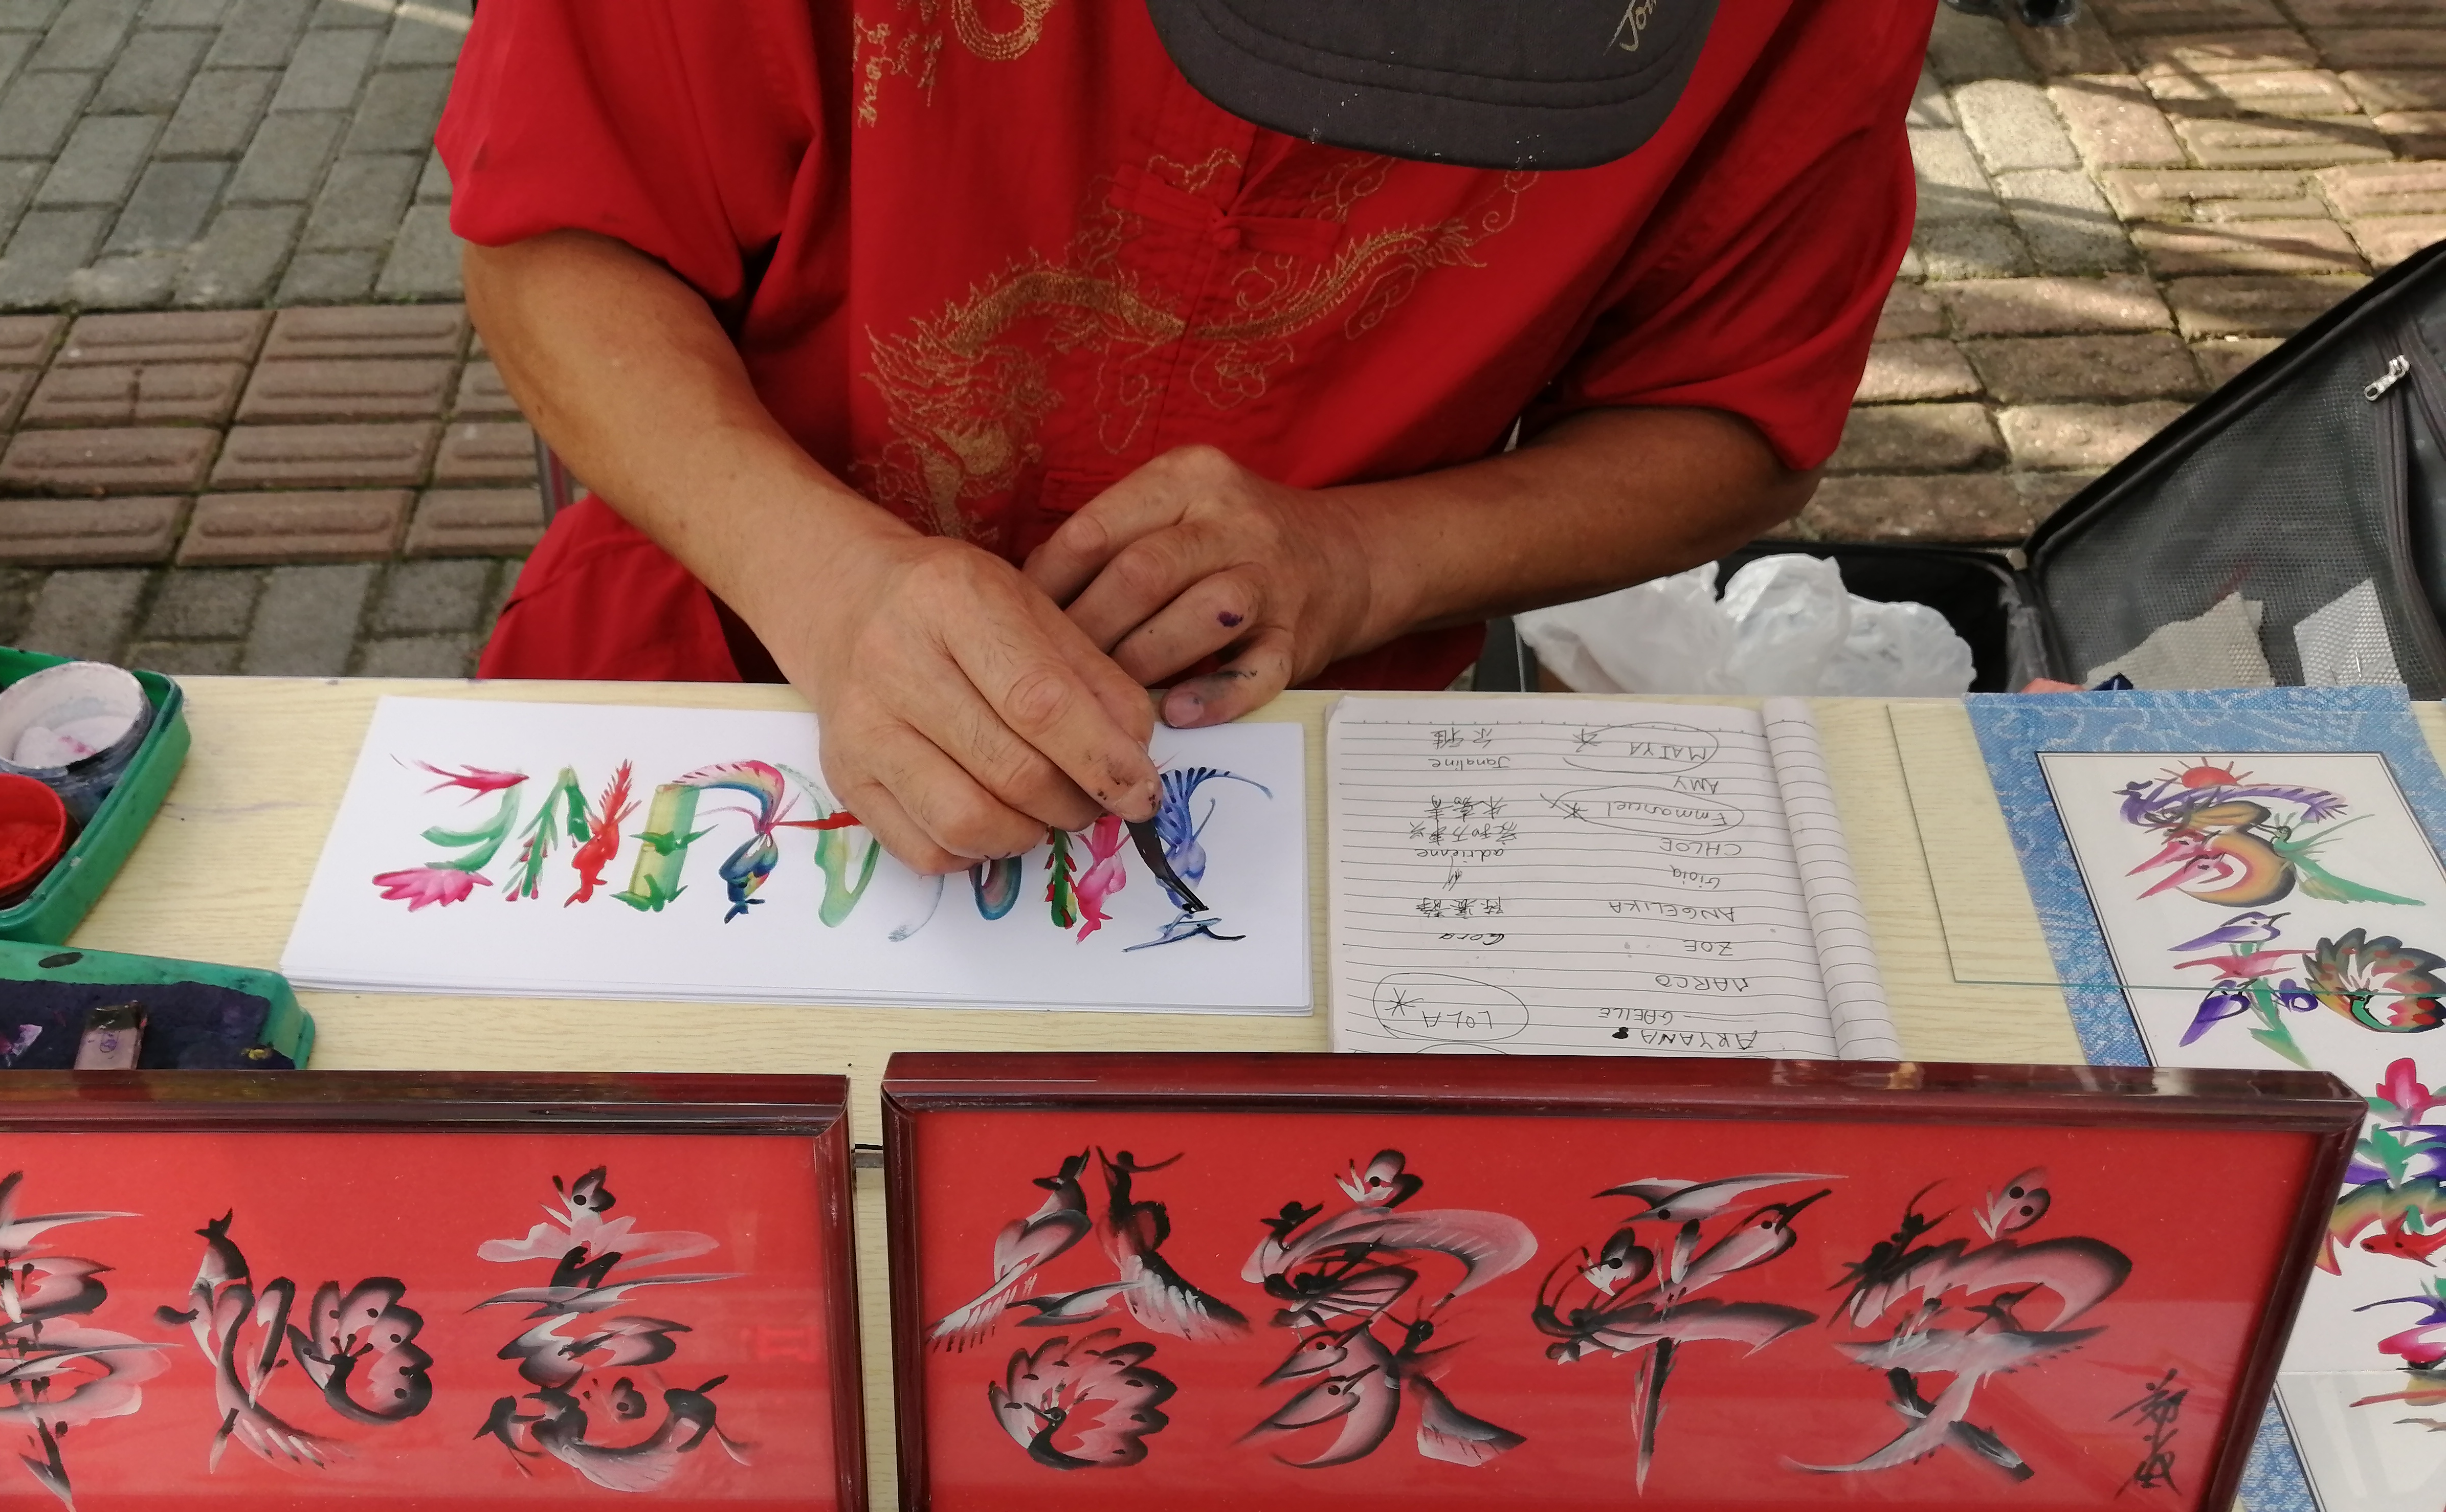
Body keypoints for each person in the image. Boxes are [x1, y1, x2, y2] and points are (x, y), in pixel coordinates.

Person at [440, 0, 1938, 872]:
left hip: (1310, 787)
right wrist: (824, 582)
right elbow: (556, 242)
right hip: (702, 683)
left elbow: (1735, 410)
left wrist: (1368, 557)